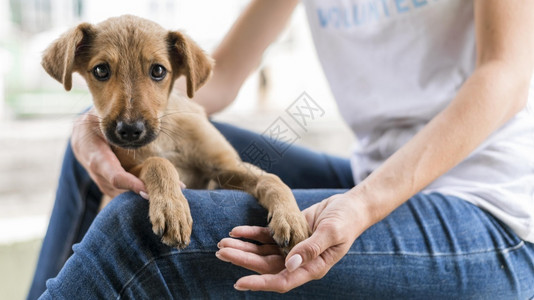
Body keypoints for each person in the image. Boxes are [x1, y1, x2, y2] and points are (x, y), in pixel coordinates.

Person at [29, 0, 534, 298]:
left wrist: (362, 204)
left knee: (135, 228)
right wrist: (94, 122)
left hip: (491, 207)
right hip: (370, 171)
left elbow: (506, 77)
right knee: (94, 158)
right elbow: (216, 79)